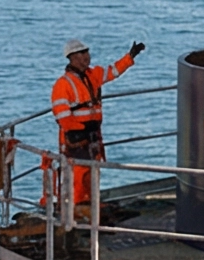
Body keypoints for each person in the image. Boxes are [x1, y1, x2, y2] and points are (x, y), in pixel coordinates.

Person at [51, 37, 143, 217]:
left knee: (92, 175)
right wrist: (82, 130)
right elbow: (63, 118)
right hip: (75, 140)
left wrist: (130, 56)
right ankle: (77, 212)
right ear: (72, 58)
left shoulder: (93, 76)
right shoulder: (63, 85)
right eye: (82, 54)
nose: (86, 57)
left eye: (87, 53)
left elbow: (113, 71)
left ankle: (89, 209)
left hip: (92, 137)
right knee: (78, 177)